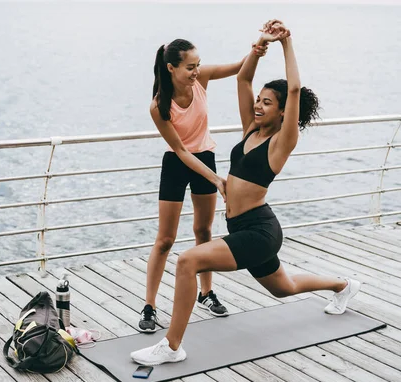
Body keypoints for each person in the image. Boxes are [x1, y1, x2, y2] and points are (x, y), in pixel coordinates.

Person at [131, 20, 361, 364]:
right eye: (259, 100)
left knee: (187, 262)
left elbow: (294, 89)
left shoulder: (282, 142)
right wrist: (260, 44)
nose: (258, 105)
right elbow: (242, 78)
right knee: (285, 287)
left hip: (259, 230)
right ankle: (343, 286)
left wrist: (286, 43)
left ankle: (171, 347)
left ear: (283, 111)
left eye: (267, 103)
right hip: (244, 229)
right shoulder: (251, 129)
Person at [139, 38, 269, 332]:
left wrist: (256, 50)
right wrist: (215, 179)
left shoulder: (202, 79)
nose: (196, 71)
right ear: (171, 68)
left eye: (198, 65)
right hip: (176, 163)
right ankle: (149, 305)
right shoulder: (159, 105)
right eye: (190, 67)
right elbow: (182, 151)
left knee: (204, 231)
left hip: (205, 157)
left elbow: (239, 69)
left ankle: (206, 293)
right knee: (165, 240)